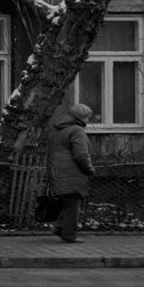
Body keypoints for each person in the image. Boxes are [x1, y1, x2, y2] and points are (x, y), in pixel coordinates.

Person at [47, 99, 96, 242]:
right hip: (73, 172)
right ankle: (68, 236)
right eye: (87, 117)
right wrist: (90, 169)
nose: (88, 120)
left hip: (58, 171)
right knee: (73, 204)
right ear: (80, 118)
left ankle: (58, 226)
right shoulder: (77, 130)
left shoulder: (58, 129)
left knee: (67, 202)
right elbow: (81, 155)